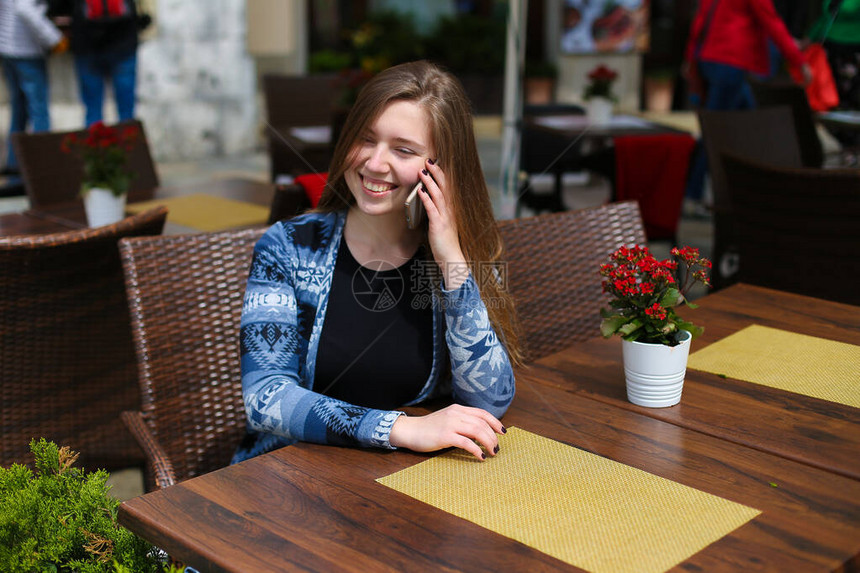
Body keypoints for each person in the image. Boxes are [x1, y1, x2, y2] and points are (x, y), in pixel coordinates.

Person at [231, 61, 522, 464]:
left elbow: (490, 399)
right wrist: (401, 429)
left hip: (400, 484)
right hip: (288, 481)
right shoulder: (289, 247)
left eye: (403, 150)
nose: (374, 163)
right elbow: (266, 398)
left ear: (442, 169)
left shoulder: (451, 255)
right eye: (366, 139)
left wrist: (451, 259)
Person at [682, 0, 812, 212]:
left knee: (744, 130)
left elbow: (701, 19)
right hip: (732, 61)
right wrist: (799, 61)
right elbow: (772, 22)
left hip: (713, 59)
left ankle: (741, 194)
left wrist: (691, 58)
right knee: (720, 132)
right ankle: (694, 193)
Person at [50, 0, 145, 126]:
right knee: (126, 111)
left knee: (93, 110)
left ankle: (95, 142)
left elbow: (57, 8)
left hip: (86, 44)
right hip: (123, 42)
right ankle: (128, 142)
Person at [0, 0, 67, 175]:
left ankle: (15, 166)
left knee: (19, 112)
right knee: (39, 112)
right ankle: (42, 167)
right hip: (26, 51)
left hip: (8, 49)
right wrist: (55, 39)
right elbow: (25, 8)